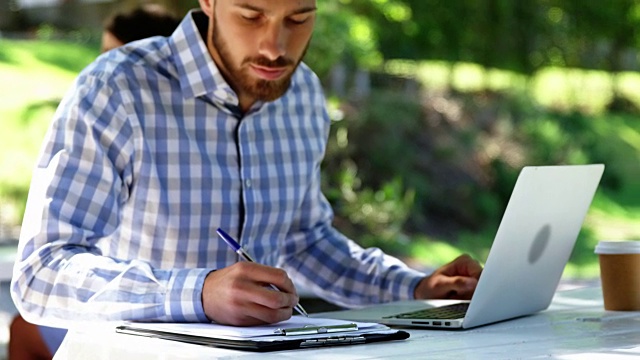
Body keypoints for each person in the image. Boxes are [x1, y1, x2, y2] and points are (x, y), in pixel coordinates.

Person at [11, 0, 481, 341]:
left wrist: (415, 287)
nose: (274, 47)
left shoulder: (302, 96)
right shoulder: (117, 89)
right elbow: (41, 273)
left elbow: (304, 240)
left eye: (298, 18)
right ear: (209, 2)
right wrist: (199, 293)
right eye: (251, 15)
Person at [8, 4, 180, 360]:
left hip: (134, 314)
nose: (97, 68)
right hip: (126, 304)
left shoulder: (136, 121)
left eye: (110, 56)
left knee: (24, 328)